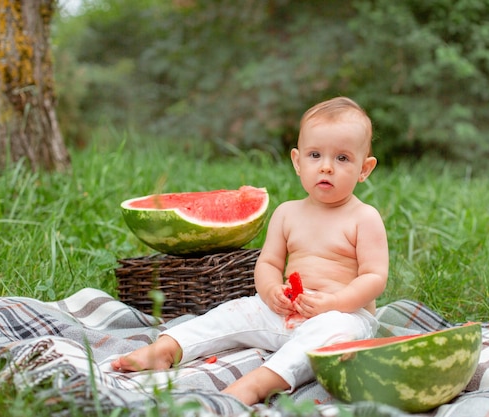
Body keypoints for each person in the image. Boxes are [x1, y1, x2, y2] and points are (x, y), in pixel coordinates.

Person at [111, 96, 389, 405]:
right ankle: (167, 349)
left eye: (342, 159)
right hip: (283, 312)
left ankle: (260, 382)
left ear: (364, 169)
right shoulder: (287, 213)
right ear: (297, 161)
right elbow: (269, 262)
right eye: (315, 155)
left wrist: (335, 302)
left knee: (331, 334)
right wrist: (271, 291)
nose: (326, 167)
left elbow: (374, 277)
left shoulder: (364, 218)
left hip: (343, 315)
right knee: (231, 312)